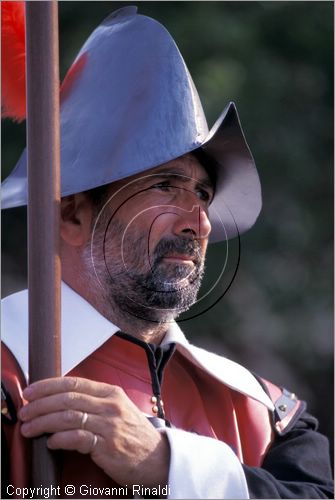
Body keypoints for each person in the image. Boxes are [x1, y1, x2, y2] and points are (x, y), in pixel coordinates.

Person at [1, 6, 333, 499]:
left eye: (202, 194)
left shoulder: (267, 415)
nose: (198, 221)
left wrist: (167, 465)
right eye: (165, 185)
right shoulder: (9, 377)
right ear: (71, 215)